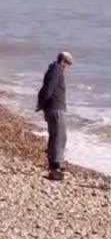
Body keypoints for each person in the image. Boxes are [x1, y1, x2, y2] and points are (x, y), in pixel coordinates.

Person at [35, 51, 72, 180]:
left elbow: (45, 89)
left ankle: (53, 165)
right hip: (56, 108)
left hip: (52, 108)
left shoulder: (53, 70)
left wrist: (42, 105)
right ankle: (56, 168)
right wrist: (42, 104)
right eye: (68, 63)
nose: (69, 67)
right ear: (63, 61)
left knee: (55, 136)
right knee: (60, 137)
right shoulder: (56, 70)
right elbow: (48, 89)